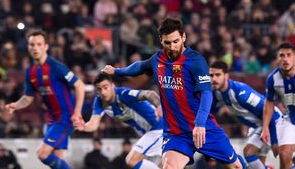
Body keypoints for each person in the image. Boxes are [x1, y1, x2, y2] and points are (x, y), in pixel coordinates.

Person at [102, 17, 246, 169]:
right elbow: (140, 67)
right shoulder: (158, 59)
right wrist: (117, 71)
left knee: (236, 166)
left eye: (176, 41)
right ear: (161, 40)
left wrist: (200, 124)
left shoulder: (195, 61)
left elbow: (206, 93)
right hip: (176, 133)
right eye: (167, 43)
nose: (172, 47)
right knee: (169, 166)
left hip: (203, 128)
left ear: (183, 37)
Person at [5, 30, 86, 169]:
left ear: (46, 46)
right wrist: (15, 106)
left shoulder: (55, 66)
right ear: (28, 47)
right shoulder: (30, 71)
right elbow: (27, 98)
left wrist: (77, 113)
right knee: (57, 159)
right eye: (32, 44)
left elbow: (80, 86)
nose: (35, 48)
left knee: (42, 154)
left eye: (39, 44)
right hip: (52, 119)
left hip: (66, 117)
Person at [79, 72, 163, 169]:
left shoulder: (124, 94)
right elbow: (93, 124)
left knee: (132, 160)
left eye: (105, 87)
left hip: (158, 127)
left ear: (112, 86)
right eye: (99, 89)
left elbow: (150, 94)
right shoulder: (99, 102)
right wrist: (83, 127)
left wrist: (160, 107)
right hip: (147, 133)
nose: (103, 92)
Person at [209, 61, 282, 169]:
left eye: (218, 75)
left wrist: (274, 140)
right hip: (258, 126)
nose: (214, 79)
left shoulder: (241, 92)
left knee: (248, 152)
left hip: (274, 122)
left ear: (226, 75)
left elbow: (269, 110)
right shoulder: (217, 93)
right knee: (257, 163)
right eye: (211, 75)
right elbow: (210, 114)